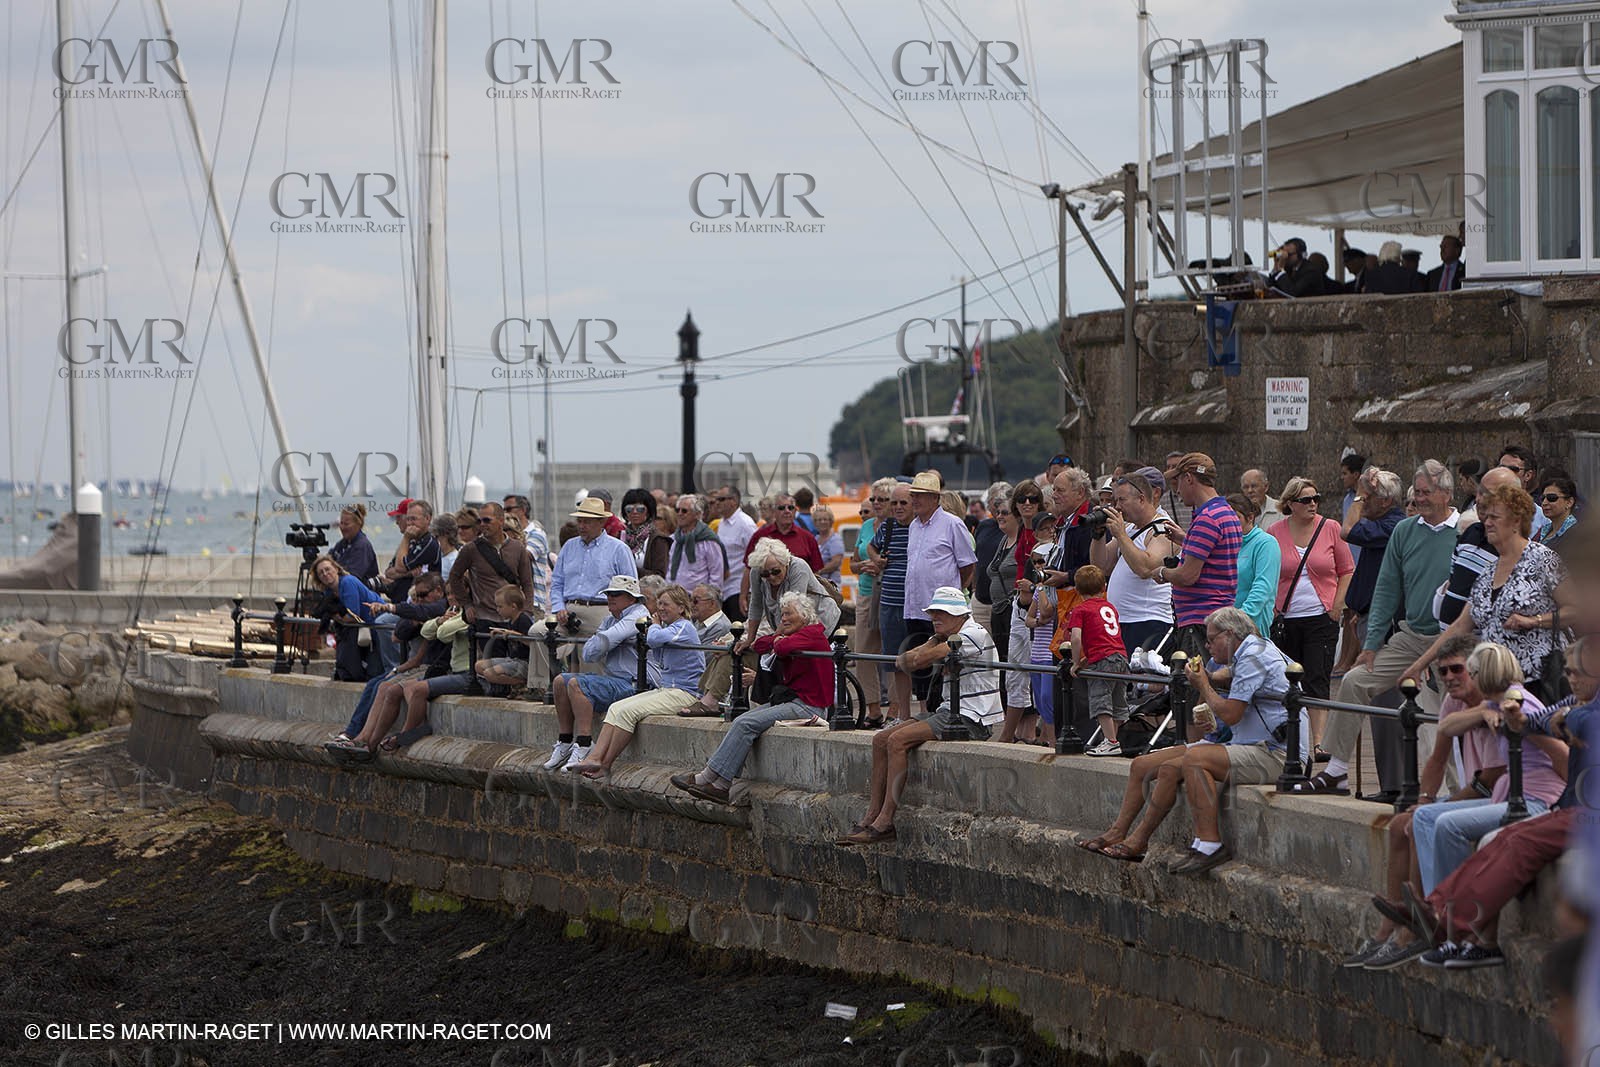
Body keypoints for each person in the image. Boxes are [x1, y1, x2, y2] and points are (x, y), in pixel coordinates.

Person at [1083, 607, 1304, 870]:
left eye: (1211, 640)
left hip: (1275, 753)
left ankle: (1209, 844)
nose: (1207, 646)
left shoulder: (1255, 657)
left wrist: (1204, 686)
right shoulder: (1242, 653)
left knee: (1195, 759)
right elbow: (1220, 688)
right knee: (1143, 765)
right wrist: (1208, 682)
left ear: (1230, 635)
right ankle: (1126, 835)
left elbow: (1232, 714)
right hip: (1243, 743)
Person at [1300, 462, 1460, 795]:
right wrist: (1371, 646)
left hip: (1451, 640)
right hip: (1410, 636)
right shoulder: (1405, 530)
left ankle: (1455, 790)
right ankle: (1337, 770)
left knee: (1450, 711)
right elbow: (1387, 588)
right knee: (1355, 682)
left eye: (1427, 492)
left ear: (1447, 494)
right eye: (1417, 491)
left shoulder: (1465, 532)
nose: (1420, 498)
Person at [836, 587, 1002, 845]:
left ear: (959, 614)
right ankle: (872, 815)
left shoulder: (972, 635)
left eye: (941, 613)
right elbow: (904, 661)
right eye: (933, 613)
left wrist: (926, 649)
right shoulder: (950, 635)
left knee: (896, 741)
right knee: (880, 739)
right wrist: (930, 644)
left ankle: (886, 821)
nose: (935, 618)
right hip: (950, 711)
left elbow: (917, 660)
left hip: (971, 717)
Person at [1404, 484, 1574, 702]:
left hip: (1539, 684)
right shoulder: (1488, 572)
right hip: (1496, 687)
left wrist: (1535, 621)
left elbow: (1578, 610)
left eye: (1495, 517)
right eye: (1485, 517)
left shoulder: (1543, 559)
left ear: (1515, 521)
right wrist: (1420, 664)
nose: (1487, 523)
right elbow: (1460, 626)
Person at [670, 591, 834, 804]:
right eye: (782, 614)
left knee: (746, 723)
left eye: (788, 614)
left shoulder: (812, 633)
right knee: (741, 720)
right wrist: (778, 635)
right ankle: (711, 779)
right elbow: (760, 645)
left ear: (804, 616)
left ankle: (717, 783)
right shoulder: (795, 634)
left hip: (809, 706)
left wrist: (779, 638)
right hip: (792, 701)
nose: (783, 619)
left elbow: (782, 648)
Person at [570, 584, 705, 778]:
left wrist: (655, 625)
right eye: (658, 604)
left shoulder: (684, 626)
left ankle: (605, 764)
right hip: (667, 689)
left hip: (684, 692)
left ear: (681, 608)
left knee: (628, 712)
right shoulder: (670, 627)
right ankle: (595, 757)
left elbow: (654, 638)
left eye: (666, 604)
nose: (660, 609)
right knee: (616, 707)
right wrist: (657, 627)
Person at [525, 496, 639, 697]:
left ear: (601, 522)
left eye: (587, 521)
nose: (582, 525)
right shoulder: (569, 546)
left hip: (602, 609)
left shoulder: (618, 549)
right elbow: (558, 582)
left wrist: (618, 613)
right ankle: (543, 686)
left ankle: (590, 693)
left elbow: (630, 586)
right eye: (580, 520)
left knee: (593, 651)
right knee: (537, 632)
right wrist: (560, 607)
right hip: (568, 608)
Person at [543, 574, 651, 772]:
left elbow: (606, 641)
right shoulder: (611, 619)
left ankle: (584, 743)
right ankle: (565, 741)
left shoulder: (638, 615)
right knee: (560, 681)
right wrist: (606, 639)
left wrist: (606, 639)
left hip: (634, 683)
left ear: (632, 598)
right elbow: (590, 653)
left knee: (577, 684)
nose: (610, 598)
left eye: (616, 594)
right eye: (609, 593)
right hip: (614, 680)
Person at [1268, 477, 1353, 706]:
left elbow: (1347, 570)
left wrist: (1336, 608)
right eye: (1306, 500)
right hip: (1287, 620)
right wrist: (1273, 608)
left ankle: (1317, 741)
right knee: (1287, 682)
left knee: (1317, 682)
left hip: (1321, 617)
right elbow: (1268, 573)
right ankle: (1291, 738)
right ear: (1291, 503)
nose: (1313, 504)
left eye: (1316, 498)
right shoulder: (1274, 532)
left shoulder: (1331, 527)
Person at [902, 471, 978, 712]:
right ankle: (924, 712)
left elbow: (968, 566)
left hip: (942, 611)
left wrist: (954, 594)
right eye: (914, 495)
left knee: (945, 663)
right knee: (919, 665)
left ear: (935, 498)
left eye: (921, 496)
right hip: (915, 607)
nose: (915, 500)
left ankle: (946, 712)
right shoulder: (913, 526)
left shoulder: (953, 524)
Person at [1155, 453, 1240, 659]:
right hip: (1217, 615)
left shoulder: (1207, 519)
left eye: (1178, 481)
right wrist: (1185, 539)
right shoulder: (1225, 512)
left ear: (1189, 478)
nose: (1177, 490)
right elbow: (1214, 554)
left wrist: (1161, 572)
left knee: (1193, 686)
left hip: (1199, 621)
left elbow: (1187, 576)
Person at [1092, 472, 1176, 657]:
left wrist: (1120, 535)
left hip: (1148, 621)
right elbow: (1101, 566)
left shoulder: (1163, 529)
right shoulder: (1130, 529)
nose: (1117, 507)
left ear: (1141, 498)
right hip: (1121, 621)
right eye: (1115, 501)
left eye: (1122, 500)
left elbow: (1146, 568)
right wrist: (1097, 535)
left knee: (1142, 682)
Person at [1339, 468, 1409, 686]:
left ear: (1385, 501)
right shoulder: (1383, 522)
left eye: (1368, 498)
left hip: (1381, 619)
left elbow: (1347, 531)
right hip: (1367, 616)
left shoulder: (1392, 526)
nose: (1362, 503)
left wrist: (1359, 492)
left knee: (1379, 691)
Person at [1069, 565, 1128, 756]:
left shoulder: (1080, 610)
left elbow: (1076, 638)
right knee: (1118, 701)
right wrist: (1088, 659)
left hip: (1103, 660)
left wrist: (1076, 662)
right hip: (1120, 656)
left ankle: (1111, 741)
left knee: (1100, 700)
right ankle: (1112, 740)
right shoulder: (1110, 607)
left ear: (1077, 590)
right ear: (1104, 587)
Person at [869, 484, 915, 722]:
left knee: (917, 659)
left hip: (915, 604)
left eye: (903, 503)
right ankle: (900, 711)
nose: (897, 508)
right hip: (889, 600)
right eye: (894, 503)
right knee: (894, 660)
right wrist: (878, 560)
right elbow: (871, 547)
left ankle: (913, 711)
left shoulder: (920, 527)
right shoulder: (887, 527)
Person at [741, 493, 823, 614]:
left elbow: (816, 572)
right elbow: (749, 569)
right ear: (773, 512)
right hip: (768, 605)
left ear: (795, 512)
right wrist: (743, 596)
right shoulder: (760, 536)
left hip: (801, 603)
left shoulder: (808, 538)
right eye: (781, 508)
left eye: (791, 508)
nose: (787, 511)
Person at [311, 554, 383, 682]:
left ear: (336, 569)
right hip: (363, 627)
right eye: (321, 573)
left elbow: (353, 616)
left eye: (327, 569)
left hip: (377, 622)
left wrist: (334, 615)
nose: (325, 574)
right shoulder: (329, 591)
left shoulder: (348, 582)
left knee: (375, 670)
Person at [1229, 493, 1281, 641]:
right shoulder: (1225, 543)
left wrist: (1240, 618)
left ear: (1250, 517)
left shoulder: (1266, 543)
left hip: (1252, 626)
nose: (1230, 524)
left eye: (1235, 518)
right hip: (1224, 626)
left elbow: (1263, 587)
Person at [476, 587, 536, 695]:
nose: (497, 610)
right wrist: (502, 632)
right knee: (479, 666)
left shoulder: (523, 619)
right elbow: (510, 632)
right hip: (512, 659)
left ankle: (526, 683)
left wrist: (515, 635)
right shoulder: (510, 620)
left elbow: (532, 642)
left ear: (513, 606)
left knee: (490, 674)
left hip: (525, 662)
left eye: (500, 606)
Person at [710, 485, 757, 621]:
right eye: (716, 499)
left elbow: (755, 558)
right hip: (723, 589)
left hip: (738, 590)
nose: (717, 503)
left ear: (733, 501)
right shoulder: (722, 523)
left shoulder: (745, 524)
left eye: (721, 499)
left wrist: (745, 592)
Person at [667, 494, 728, 593]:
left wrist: (709, 598)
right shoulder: (673, 539)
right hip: (673, 596)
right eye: (677, 510)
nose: (679, 513)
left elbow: (716, 575)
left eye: (684, 511)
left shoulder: (709, 540)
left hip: (697, 598)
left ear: (697, 514)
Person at [503, 494, 552, 616]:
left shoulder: (536, 534)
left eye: (508, 509)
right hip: (510, 603)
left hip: (533, 603)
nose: (505, 513)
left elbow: (522, 557)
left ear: (523, 510)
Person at [1499, 445, 1552, 540]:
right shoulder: (1481, 510)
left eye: (1514, 469)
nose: (1506, 473)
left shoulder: (1543, 518)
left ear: (1528, 475)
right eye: (1502, 469)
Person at [329, 503, 380, 584]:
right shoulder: (342, 544)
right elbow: (329, 560)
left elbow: (353, 578)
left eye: (346, 524)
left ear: (358, 523)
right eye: (341, 523)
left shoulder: (362, 546)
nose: (342, 527)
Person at [619, 489, 665, 576]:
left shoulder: (658, 539)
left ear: (648, 511)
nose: (634, 512)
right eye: (629, 509)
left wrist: (630, 568)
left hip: (646, 588)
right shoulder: (619, 536)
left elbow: (659, 575)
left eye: (640, 509)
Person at [1536, 473, 1578, 549]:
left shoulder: (1577, 534)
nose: (1544, 503)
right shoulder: (1542, 531)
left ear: (1569, 502)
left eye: (1552, 498)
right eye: (1542, 498)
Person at [1161, 450, 1194, 532]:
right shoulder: (1163, 500)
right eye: (1168, 467)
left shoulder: (1196, 497)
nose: (1170, 471)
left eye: (1175, 467)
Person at [812, 505, 845, 585]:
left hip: (831, 585)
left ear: (831, 521)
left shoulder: (835, 539)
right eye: (819, 520)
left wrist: (819, 572)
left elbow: (836, 562)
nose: (822, 522)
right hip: (818, 584)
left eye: (825, 519)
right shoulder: (816, 538)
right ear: (815, 522)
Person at [430, 513, 461, 583]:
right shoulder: (434, 557)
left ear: (447, 535)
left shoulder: (454, 561)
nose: (434, 540)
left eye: (436, 536)